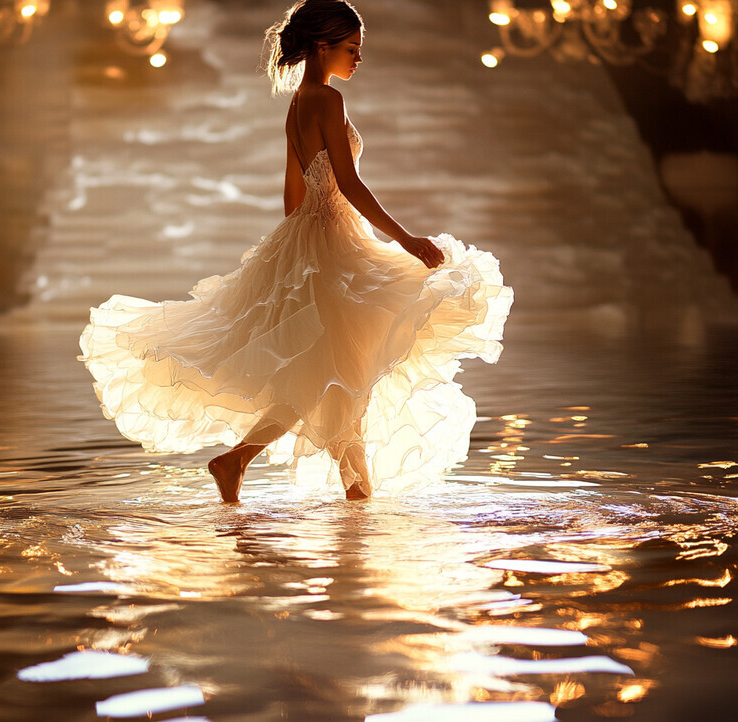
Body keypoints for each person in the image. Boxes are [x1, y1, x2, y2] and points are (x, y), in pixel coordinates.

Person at [79, 0, 513, 504]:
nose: (358, 59)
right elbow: (348, 182)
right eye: (351, 49)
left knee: (340, 373)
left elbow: (293, 191)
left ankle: (345, 489)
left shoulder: (299, 102)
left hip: (310, 239)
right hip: (331, 239)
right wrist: (405, 239)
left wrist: (295, 251)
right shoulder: (327, 100)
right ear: (322, 46)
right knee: (340, 369)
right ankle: (245, 461)